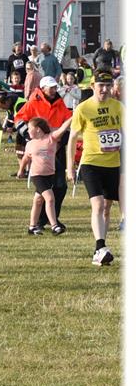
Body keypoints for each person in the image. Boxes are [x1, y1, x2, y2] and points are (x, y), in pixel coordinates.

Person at [63, 70, 122, 266]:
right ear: (92, 86)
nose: (104, 90)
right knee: (97, 204)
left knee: (106, 208)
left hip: (113, 163)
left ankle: (100, 251)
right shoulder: (83, 108)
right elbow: (72, 139)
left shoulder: (118, 107)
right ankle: (100, 246)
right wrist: (70, 167)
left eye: (108, 86)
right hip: (90, 163)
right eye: (100, 86)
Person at [13, 76, 72, 228]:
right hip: (41, 153)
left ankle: (52, 218)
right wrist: (30, 138)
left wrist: (62, 140)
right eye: (51, 87)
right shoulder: (34, 102)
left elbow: (68, 122)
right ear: (43, 88)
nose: (54, 90)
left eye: (55, 87)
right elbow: (19, 119)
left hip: (57, 150)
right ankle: (40, 221)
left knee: (60, 186)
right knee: (43, 190)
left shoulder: (60, 103)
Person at [19, 118, 66, 236]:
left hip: (49, 175)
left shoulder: (51, 138)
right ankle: (54, 226)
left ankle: (32, 227)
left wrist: (73, 116)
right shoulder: (30, 143)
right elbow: (26, 158)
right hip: (37, 175)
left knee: (38, 201)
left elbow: (63, 129)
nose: (28, 131)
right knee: (50, 198)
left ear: (38, 129)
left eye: (30, 128)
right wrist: (21, 170)